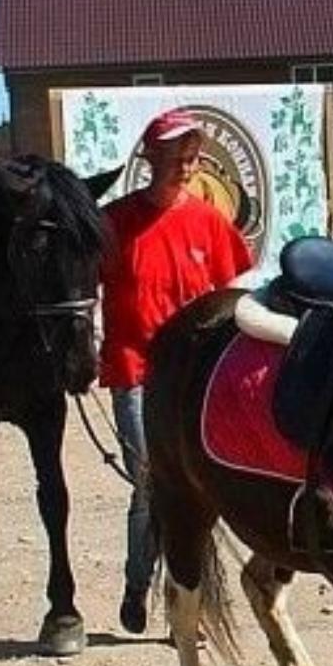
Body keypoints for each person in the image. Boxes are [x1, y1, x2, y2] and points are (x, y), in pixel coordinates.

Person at [100, 108, 253, 633]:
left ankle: (181, 604)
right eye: (174, 158)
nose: (185, 169)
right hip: (136, 369)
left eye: (191, 158)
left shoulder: (211, 223)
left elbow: (234, 298)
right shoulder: (114, 224)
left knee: (199, 488)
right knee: (149, 483)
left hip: (195, 380)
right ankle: (137, 582)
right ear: (150, 158)